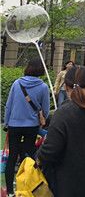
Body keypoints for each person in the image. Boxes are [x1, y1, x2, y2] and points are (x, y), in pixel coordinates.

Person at [38, 66, 85, 196]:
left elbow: (50, 151)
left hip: (67, 185)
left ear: (66, 87)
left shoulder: (64, 112)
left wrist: (37, 157)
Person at [3, 58, 51, 193]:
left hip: (14, 124)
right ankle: (27, 188)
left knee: (12, 157)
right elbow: (46, 109)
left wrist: (6, 122)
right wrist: (42, 119)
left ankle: (10, 192)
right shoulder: (43, 87)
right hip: (32, 125)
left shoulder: (17, 83)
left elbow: (9, 105)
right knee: (29, 157)